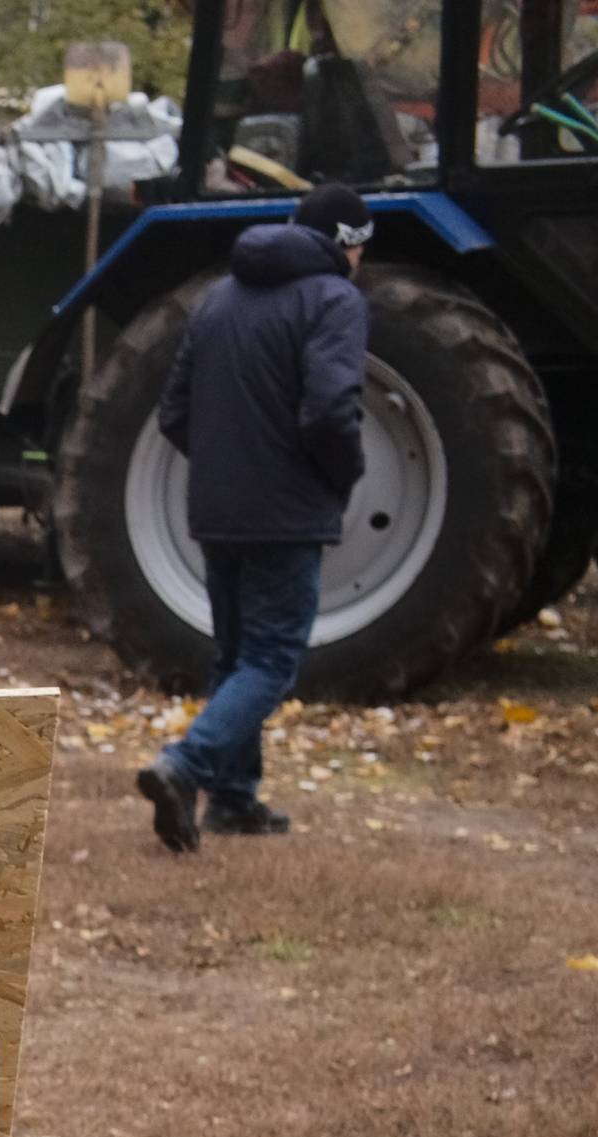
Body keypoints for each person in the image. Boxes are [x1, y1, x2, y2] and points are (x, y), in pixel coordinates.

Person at [134, 181, 373, 851]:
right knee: (270, 661)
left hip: (215, 509)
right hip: (287, 512)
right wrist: (341, 476)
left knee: (235, 656)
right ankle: (186, 765)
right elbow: (330, 411)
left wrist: (223, 467)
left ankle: (233, 802)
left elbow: (174, 413)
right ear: (350, 244)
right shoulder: (335, 300)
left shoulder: (219, 297)